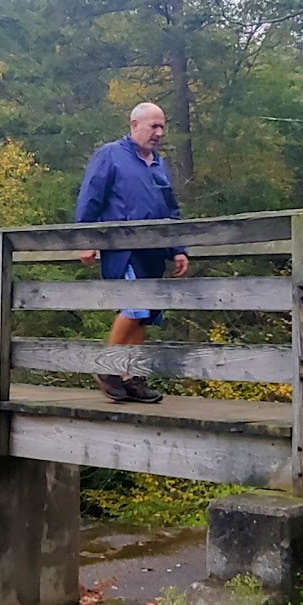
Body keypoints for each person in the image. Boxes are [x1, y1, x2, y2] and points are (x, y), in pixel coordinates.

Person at [75, 102, 189, 403]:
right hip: (122, 247)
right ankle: (107, 367)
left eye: (162, 126)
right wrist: (85, 239)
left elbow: (171, 210)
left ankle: (132, 377)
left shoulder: (159, 164)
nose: (159, 132)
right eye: (153, 126)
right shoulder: (111, 155)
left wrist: (178, 249)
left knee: (144, 316)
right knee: (133, 306)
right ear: (134, 124)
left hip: (153, 251)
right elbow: (90, 198)